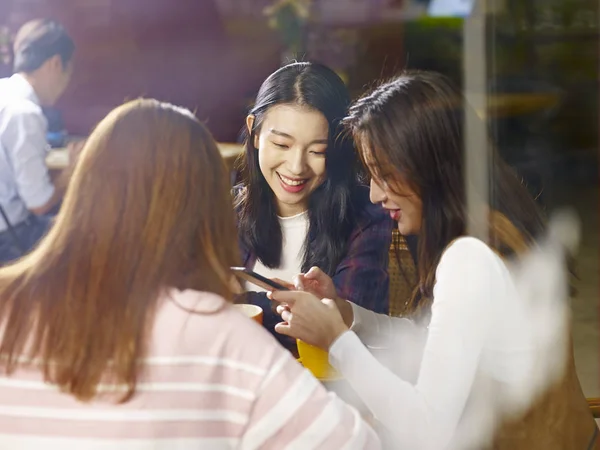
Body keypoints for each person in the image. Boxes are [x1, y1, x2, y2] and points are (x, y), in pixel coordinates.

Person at [0, 99, 380, 449]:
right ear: (208, 209)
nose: (296, 166)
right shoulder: (223, 339)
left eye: (316, 150)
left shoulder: (7, 302)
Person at [271, 71, 598, 449]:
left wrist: (337, 342)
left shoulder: (470, 258)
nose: (376, 195)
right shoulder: (499, 229)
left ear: (429, 169)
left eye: (384, 175)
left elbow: (425, 429)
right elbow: (437, 341)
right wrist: (348, 315)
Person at [235, 61, 395, 344]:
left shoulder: (366, 220)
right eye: (282, 145)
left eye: (317, 151)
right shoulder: (227, 212)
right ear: (255, 132)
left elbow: (342, 331)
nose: (296, 167)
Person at [0, 19, 80, 263]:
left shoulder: (5, 91)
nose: (65, 86)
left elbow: (17, 161)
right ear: (56, 64)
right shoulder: (25, 112)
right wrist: (72, 170)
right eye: (68, 74)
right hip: (8, 239)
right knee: (82, 235)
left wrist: (62, 159)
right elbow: (39, 202)